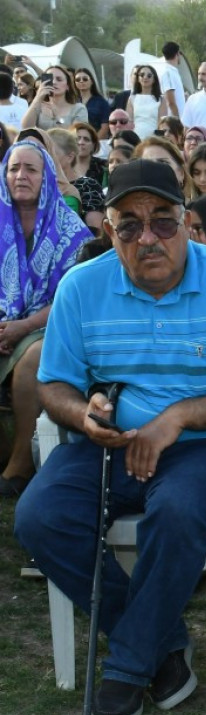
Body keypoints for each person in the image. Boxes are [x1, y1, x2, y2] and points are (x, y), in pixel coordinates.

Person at [15, 158, 206, 715]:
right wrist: (82, 416)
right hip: (109, 446)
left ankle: (128, 665)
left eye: (163, 222)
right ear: (108, 231)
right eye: (129, 226)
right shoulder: (80, 286)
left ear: (187, 222)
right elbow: (54, 384)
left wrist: (181, 416)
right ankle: (160, 641)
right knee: (38, 517)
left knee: (178, 510)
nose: (148, 238)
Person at [0, 140, 92, 497]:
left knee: (34, 358)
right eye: (13, 169)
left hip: (49, 324)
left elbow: (72, 299)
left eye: (30, 169)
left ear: (47, 177)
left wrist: (22, 326)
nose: (20, 176)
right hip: (5, 321)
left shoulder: (71, 229)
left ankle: (22, 462)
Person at [21, 64, 88, 132]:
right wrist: (38, 96)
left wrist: (57, 116)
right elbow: (26, 127)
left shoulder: (78, 108)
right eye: (50, 79)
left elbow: (76, 134)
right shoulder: (39, 106)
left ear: (67, 86)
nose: (54, 82)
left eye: (59, 79)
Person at [125, 65, 169, 140]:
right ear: (138, 79)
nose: (145, 77)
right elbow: (129, 122)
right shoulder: (132, 98)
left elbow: (161, 124)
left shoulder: (161, 99)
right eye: (142, 75)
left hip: (153, 139)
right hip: (135, 138)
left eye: (149, 75)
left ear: (154, 79)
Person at [181, 62, 206, 133]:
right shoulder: (192, 99)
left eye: (204, 74)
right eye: (199, 74)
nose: (200, 77)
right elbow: (186, 126)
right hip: (197, 141)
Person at [72, 67, 110, 137]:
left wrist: (94, 143)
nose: (81, 81)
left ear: (92, 81)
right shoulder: (72, 101)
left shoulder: (101, 102)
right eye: (77, 79)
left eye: (85, 79)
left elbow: (105, 127)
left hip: (94, 140)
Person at [71, 121, 106, 186]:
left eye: (86, 139)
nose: (81, 142)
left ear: (93, 145)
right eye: (77, 139)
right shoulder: (63, 165)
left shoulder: (103, 166)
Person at [159, 41, 186, 118]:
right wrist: (178, 120)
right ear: (177, 53)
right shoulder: (168, 72)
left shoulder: (172, 71)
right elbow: (171, 102)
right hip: (173, 121)